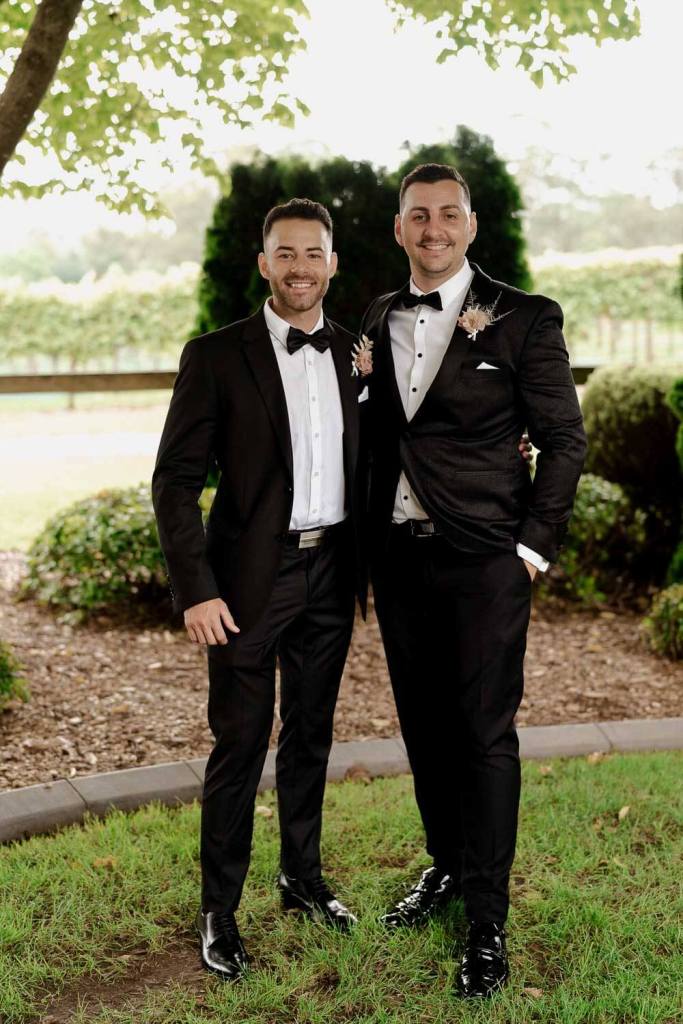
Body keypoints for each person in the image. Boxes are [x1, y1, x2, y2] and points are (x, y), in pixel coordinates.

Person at [360, 164, 587, 998]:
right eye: (417, 215)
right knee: (422, 726)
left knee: (484, 734)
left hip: (487, 558)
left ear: (470, 224)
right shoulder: (378, 314)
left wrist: (531, 546)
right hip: (397, 556)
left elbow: (563, 438)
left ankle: (486, 923)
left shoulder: (526, 317)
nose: (432, 228)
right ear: (398, 228)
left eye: (447, 214)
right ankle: (447, 869)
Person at [152, 198, 368, 981]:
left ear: (332, 264)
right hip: (245, 581)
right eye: (286, 253)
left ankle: (302, 879)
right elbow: (174, 482)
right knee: (240, 742)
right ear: (263, 263)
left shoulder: (353, 352)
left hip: (331, 571)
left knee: (310, 734)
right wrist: (195, 590)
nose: (300, 267)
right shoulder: (214, 355)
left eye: (314, 253)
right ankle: (220, 909)